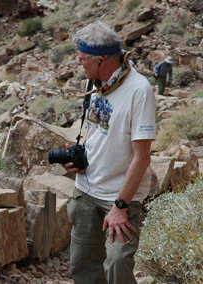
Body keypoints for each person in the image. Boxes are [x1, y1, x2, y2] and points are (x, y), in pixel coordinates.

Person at [64, 22, 156, 284]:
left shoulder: (139, 91)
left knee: (117, 265)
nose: (79, 63)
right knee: (83, 267)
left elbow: (142, 157)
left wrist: (120, 207)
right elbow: (96, 129)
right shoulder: (95, 83)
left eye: (82, 59)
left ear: (101, 60)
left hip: (119, 198)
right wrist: (79, 160)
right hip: (86, 190)